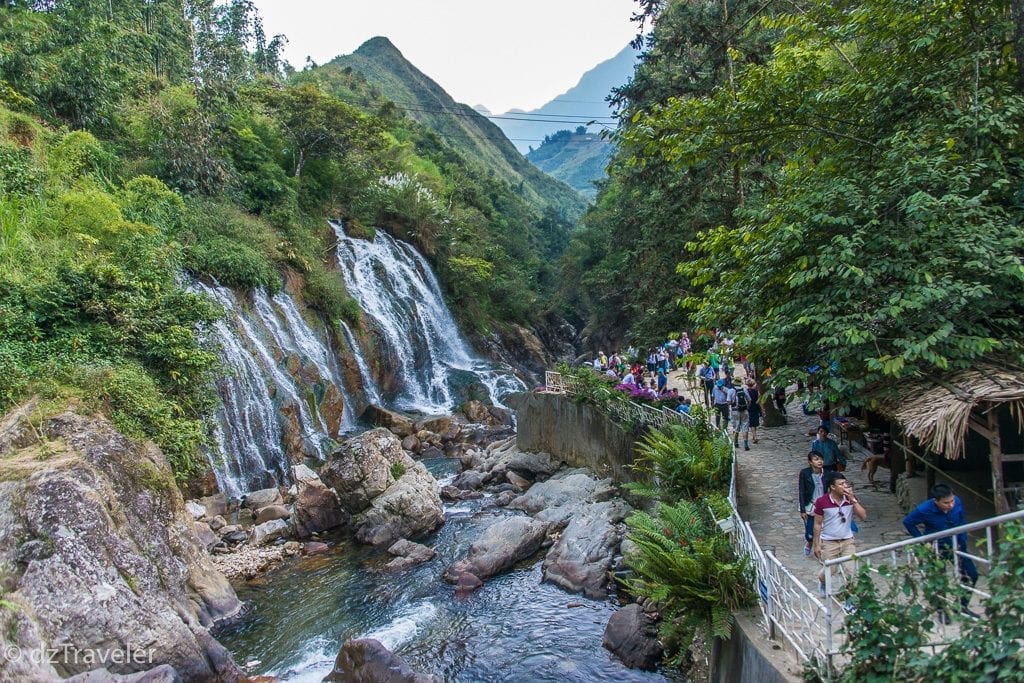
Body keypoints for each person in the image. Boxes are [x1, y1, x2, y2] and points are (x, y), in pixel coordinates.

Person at [902, 484, 980, 618]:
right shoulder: (924, 509)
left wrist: (962, 536)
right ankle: (941, 609)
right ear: (936, 501)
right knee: (938, 579)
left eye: (952, 501)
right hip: (937, 547)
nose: (950, 505)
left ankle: (962, 605)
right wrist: (922, 540)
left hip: (959, 545)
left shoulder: (957, 502)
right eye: (946, 503)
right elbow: (908, 522)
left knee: (971, 574)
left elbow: (961, 518)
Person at [813, 472, 867, 597]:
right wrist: (817, 545)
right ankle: (822, 581)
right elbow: (817, 524)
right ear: (832, 487)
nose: (845, 486)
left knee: (851, 571)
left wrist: (853, 500)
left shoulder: (850, 499)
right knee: (830, 570)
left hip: (847, 540)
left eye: (846, 483)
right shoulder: (822, 502)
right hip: (828, 542)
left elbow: (863, 515)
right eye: (841, 484)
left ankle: (850, 600)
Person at [799, 452, 827, 557]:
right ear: (810, 462)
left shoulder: (826, 474)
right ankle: (810, 542)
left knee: (822, 529)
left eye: (821, 459)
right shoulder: (805, 473)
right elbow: (801, 491)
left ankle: (818, 548)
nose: (819, 461)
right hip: (810, 506)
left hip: (823, 506)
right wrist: (802, 510)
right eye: (816, 459)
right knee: (810, 532)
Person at [731, 378, 751, 450]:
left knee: (735, 427)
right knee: (745, 427)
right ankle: (746, 444)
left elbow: (728, 401)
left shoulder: (731, 391)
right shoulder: (744, 390)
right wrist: (747, 407)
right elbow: (749, 400)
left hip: (735, 411)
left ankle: (736, 443)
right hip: (744, 410)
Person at [746, 378, 761, 445]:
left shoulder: (746, 391)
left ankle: (755, 437)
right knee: (754, 423)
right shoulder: (756, 391)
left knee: (752, 424)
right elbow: (759, 400)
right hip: (756, 407)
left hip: (749, 408)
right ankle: (754, 435)